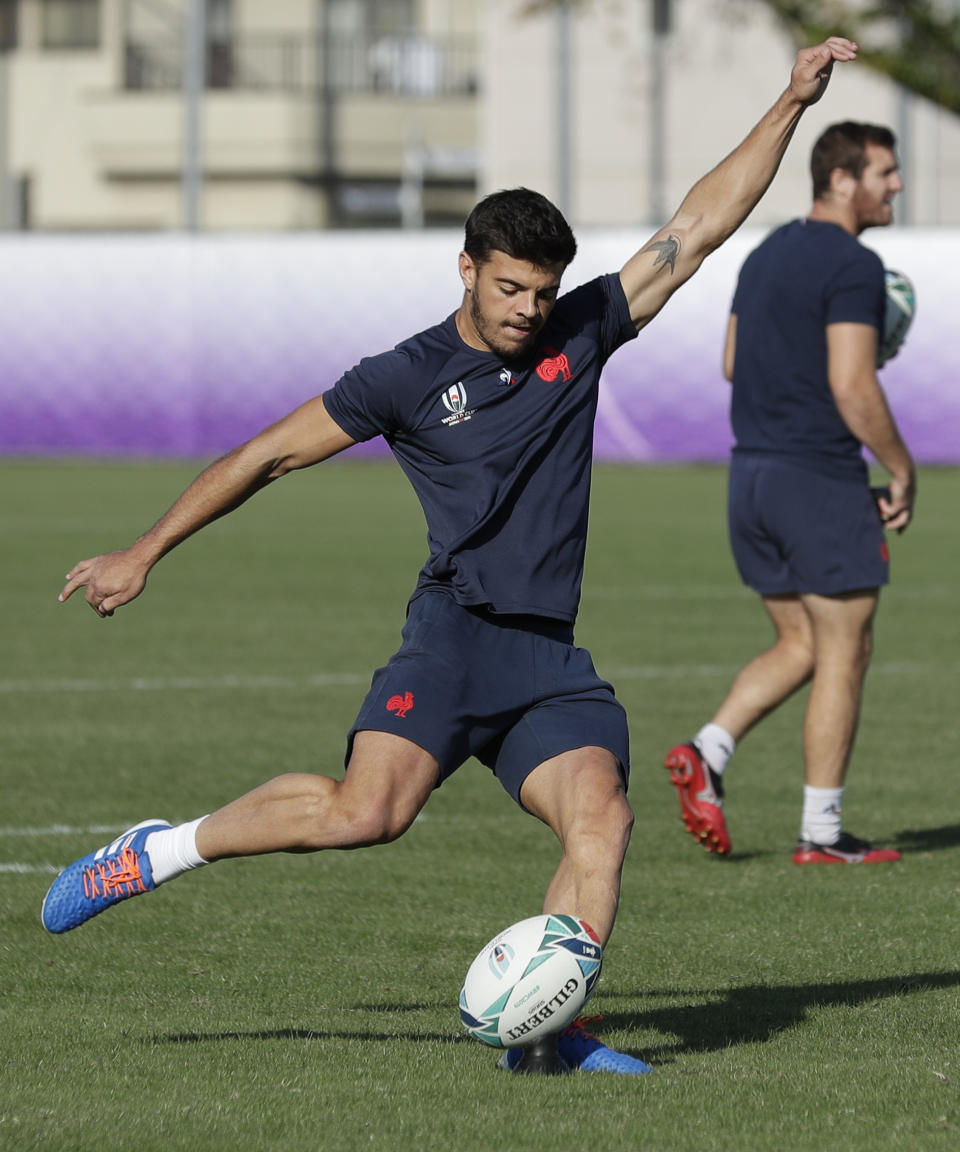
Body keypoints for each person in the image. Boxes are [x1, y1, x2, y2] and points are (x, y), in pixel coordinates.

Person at [42, 39, 858, 1074]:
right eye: (511, 286)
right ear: (468, 267)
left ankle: (547, 1037)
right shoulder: (403, 377)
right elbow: (263, 456)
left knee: (600, 824)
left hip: (546, 660)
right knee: (365, 814)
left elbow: (694, 231)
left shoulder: (582, 330)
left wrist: (789, 100)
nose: (528, 308)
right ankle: (154, 850)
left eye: (542, 290)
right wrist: (144, 549)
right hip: (452, 638)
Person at [664, 120, 916, 866]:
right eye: (884, 172)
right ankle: (824, 834)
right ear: (842, 179)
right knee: (847, 649)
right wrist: (900, 467)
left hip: (752, 482)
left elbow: (734, 361)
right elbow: (852, 384)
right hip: (817, 478)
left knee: (802, 643)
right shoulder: (853, 265)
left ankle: (706, 752)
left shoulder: (766, 253)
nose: (895, 183)